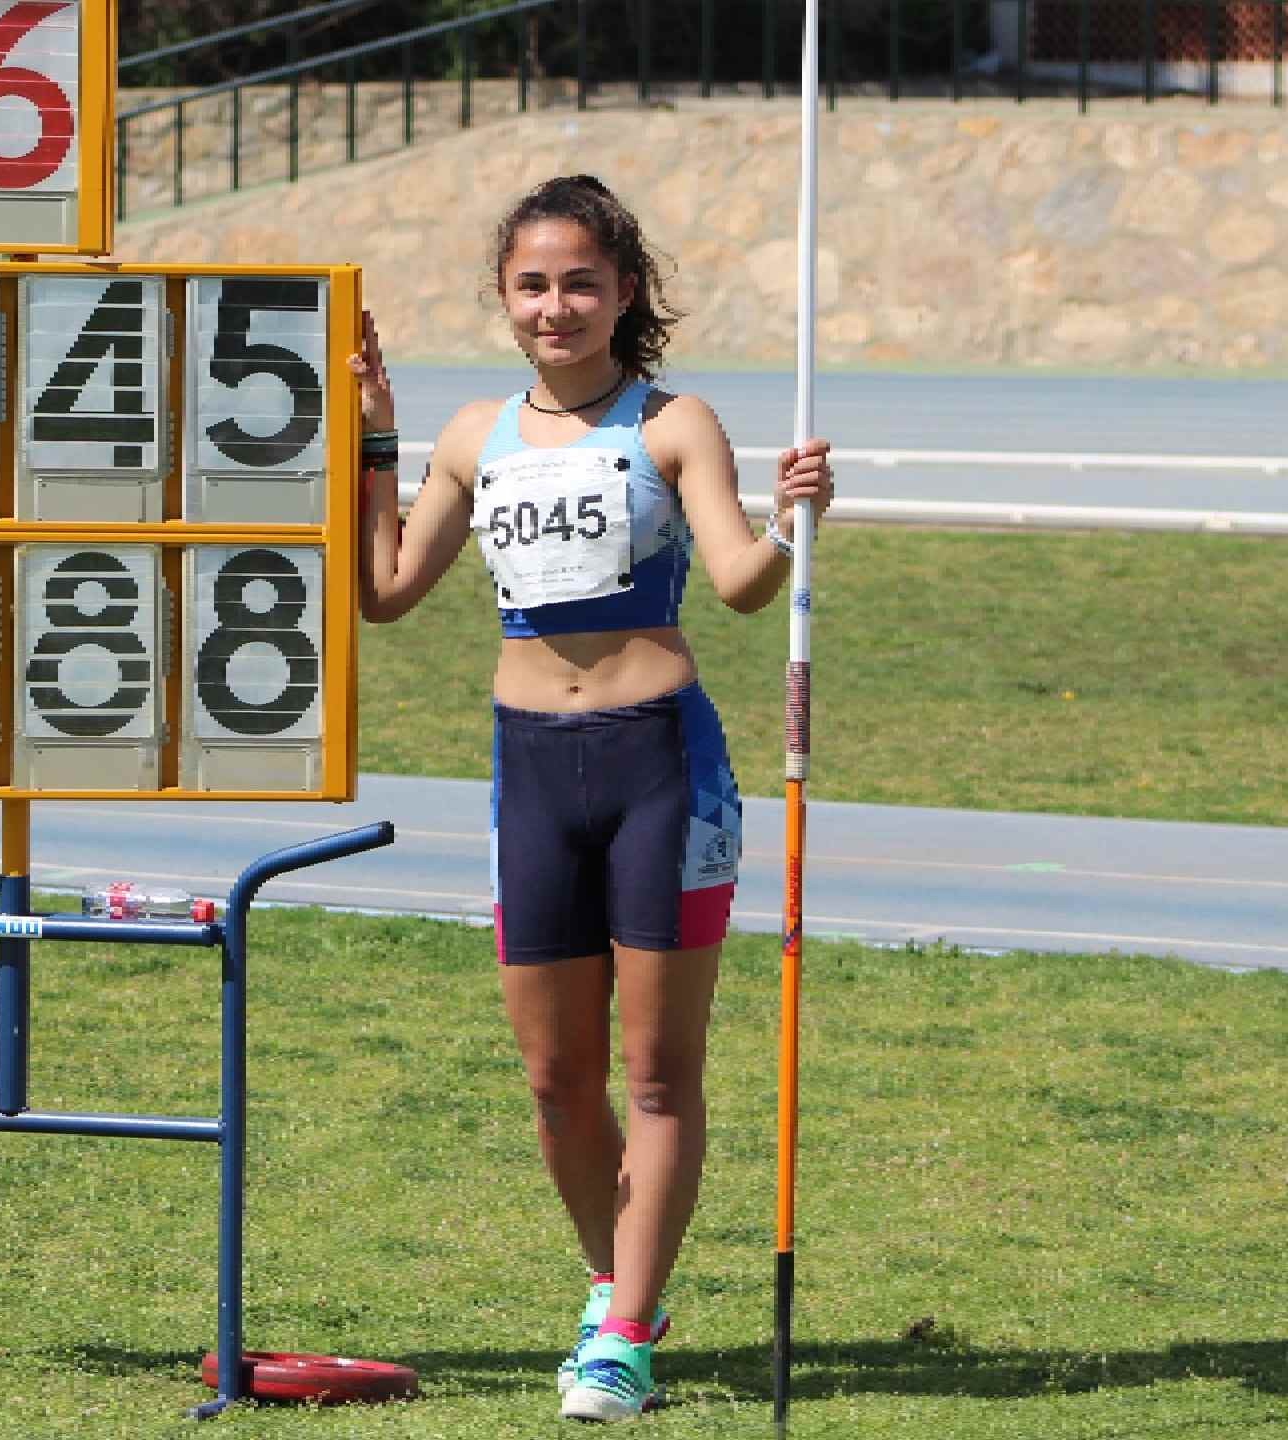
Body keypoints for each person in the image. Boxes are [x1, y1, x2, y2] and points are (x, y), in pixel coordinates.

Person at [349, 173, 834, 1423]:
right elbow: (384, 588)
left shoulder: (671, 425)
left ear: (626, 292)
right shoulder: (474, 437)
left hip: (657, 764)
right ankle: (615, 1285)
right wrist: (372, 445)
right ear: (503, 298)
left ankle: (619, 1334)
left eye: (579, 281)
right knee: (557, 1079)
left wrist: (791, 521)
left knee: (658, 1075)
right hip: (529, 769)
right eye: (531, 283)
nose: (554, 304)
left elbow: (733, 583)